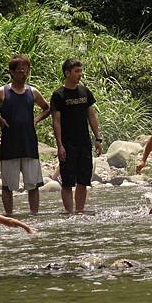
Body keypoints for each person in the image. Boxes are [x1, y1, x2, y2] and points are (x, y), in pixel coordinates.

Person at [0, 54, 50, 215]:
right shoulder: (2, 92)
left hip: (29, 143)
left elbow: (47, 108)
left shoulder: (33, 91)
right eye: (21, 70)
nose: (24, 73)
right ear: (12, 72)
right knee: (7, 186)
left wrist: (36, 120)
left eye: (26, 70)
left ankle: (34, 215)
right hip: (9, 144)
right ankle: (9, 215)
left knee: (33, 184)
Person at [50, 58, 102, 213]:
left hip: (84, 143)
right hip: (68, 144)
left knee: (83, 180)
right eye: (76, 71)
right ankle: (69, 213)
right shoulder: (58, 95)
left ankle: (79, 212)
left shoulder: (85, 91)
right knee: (67, 182)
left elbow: (91, 116)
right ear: (67, 73)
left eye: (81, 71)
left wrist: (98, 138)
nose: (80, 74)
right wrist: (60, 145)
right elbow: (56, 121)